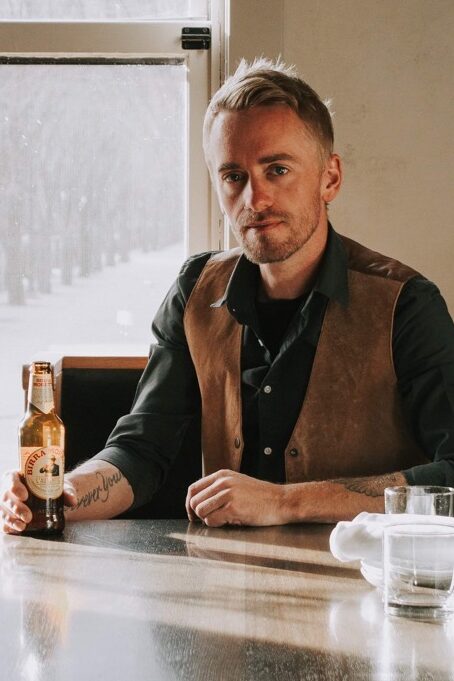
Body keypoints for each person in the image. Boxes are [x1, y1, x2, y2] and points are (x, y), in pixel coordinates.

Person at [2, 58, 454, 533]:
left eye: (277, 170)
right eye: (233, 176)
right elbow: (141, 451)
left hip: (366, 589)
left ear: (330, 178)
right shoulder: (194, 289)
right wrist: (62, 495)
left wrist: (286, 502)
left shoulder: (407, 304)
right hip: (224, 583)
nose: (254, 200)